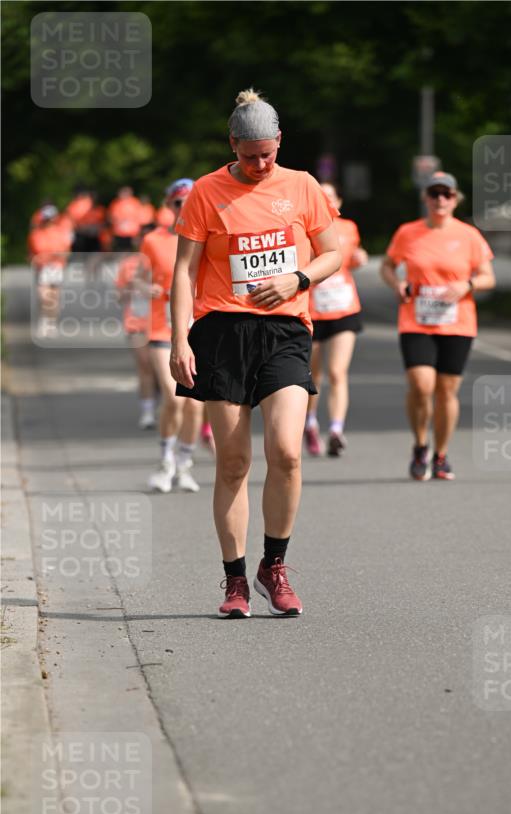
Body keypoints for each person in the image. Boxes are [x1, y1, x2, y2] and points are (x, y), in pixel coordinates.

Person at [170, 88, 341, 617]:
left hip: (285, 331)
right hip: (222, 332)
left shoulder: (302, 186)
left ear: (279, 143)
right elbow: (183, 271)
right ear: (232, 145)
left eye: (268, 153)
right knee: (234, 462)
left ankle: (275, 565)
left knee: (287, 451)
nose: (260, 165)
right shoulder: (206, 191)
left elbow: (335, 252)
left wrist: (297, 277)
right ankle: (235, 581)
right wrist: (179, 339)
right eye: (249, 156)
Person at [381, 171, 495, 481]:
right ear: (425, 198)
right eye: (434, 194)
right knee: (421, 386)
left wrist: (466, 285)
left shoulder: (468, 235)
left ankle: (440, 454)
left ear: (455, 199)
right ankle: (420, 445)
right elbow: (387, 266)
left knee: (446, 391)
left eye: (446, 194)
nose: (440, 200)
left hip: (457, 323)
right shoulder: (408, 232)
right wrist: (397, 283)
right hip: (416, 320)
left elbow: (488, 277)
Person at [139, 181, 204, 492]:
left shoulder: (210, 236)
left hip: (199, 328)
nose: (184, 208)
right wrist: (145, 287)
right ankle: (165, 460)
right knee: (173, 395)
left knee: (194, 403)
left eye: (189, 202)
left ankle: (184, 464)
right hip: (161, 327)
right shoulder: (153, 240)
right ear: (169, 207)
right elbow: (136, 277)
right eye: (178, 203)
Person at [304, 181, 367, 457]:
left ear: (339, 202)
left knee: (338, 372)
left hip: (343, 308)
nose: (327, 203)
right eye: (321, 198)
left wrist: (359, 258)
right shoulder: (304, 229)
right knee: (313, 375)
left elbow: (350, 260)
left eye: (331, 198)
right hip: (312, 311)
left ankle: (336, 430)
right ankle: (310, 423)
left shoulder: (350, 228)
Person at [115, 250, 158, 429]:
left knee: (161, 371)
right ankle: (147, 412)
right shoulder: (128, 264)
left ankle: (163, 403)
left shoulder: (167, 258)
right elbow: (119, 297)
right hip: (136, 324)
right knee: (145, 365)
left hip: (162, 324)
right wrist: (131, 287)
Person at [28, 204, 73, 338]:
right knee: (43, 296)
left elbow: (65, 252)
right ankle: (44, 321)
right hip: (42, 268)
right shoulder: (36, 234)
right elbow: (33, 252)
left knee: (53, 297)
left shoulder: (61, 233)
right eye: (45, 218)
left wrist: (55, 256)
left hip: (56, 267)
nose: (47, 221)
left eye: (50, 218)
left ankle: (52, 323)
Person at [107, 186, 143, 252]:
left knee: (132, 250)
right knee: (119, 250)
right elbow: (111, 216)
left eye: (124, 192)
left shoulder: (135, 202)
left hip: (132, 232)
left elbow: (139, 217)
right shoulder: (115, 203)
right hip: (118, 232)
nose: (121, 194)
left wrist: (138, 233)